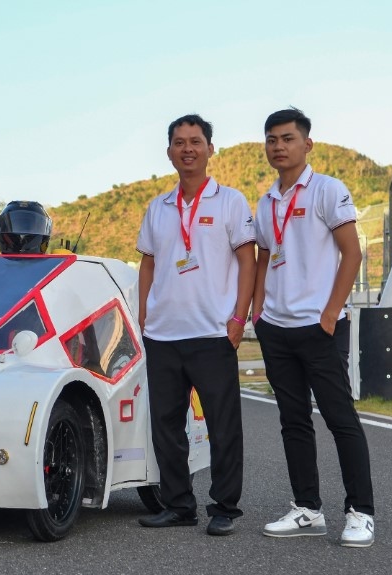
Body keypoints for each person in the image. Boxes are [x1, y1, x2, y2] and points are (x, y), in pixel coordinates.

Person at [252, 108, 374, 547]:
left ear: (307, 145)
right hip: (276, 329)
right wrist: (257, 310)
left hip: (320, 327)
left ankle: (361, 512)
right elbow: (264, 257)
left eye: (287, 138)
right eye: (271, 140)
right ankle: (308, 509)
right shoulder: (265, 203)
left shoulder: (327, 189)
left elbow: (352, 253)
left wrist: (329, 314)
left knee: (340, 419)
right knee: (293, 421)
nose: (278, 146)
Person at [135, 114, 255, 536]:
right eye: (180, 142)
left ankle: (224, 507)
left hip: (212, 333)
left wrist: (240, 317)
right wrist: (143, 312)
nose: (188, 148)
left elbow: (247, 261)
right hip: (164, 334)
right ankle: (179, 505)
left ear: (210, 149)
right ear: (169, 151)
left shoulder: (230, 202)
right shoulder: (158, 207)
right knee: (166, 426)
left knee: (223, 426)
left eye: (196, 141)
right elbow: (147, 263)